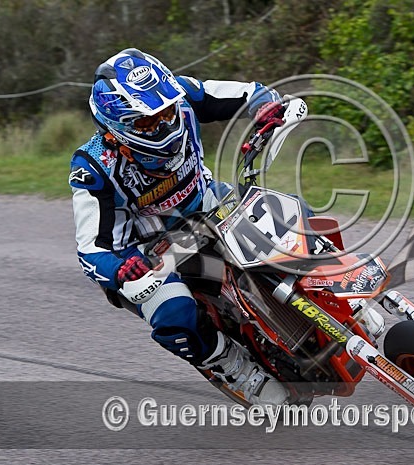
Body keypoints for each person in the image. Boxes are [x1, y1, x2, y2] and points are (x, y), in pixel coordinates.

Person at [69, 48, 290, 405]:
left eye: (167, 112)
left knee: (288, 211)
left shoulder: (181, 93)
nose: (164, 125)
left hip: (208, 204)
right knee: (175, 313)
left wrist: (266, 105)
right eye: (147, 123)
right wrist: (122, 270)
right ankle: (230, 365)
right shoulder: (92, 167)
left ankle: (337, 285)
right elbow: (91, 250)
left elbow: (247, 93)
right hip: (148, 252)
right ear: (117, 128)